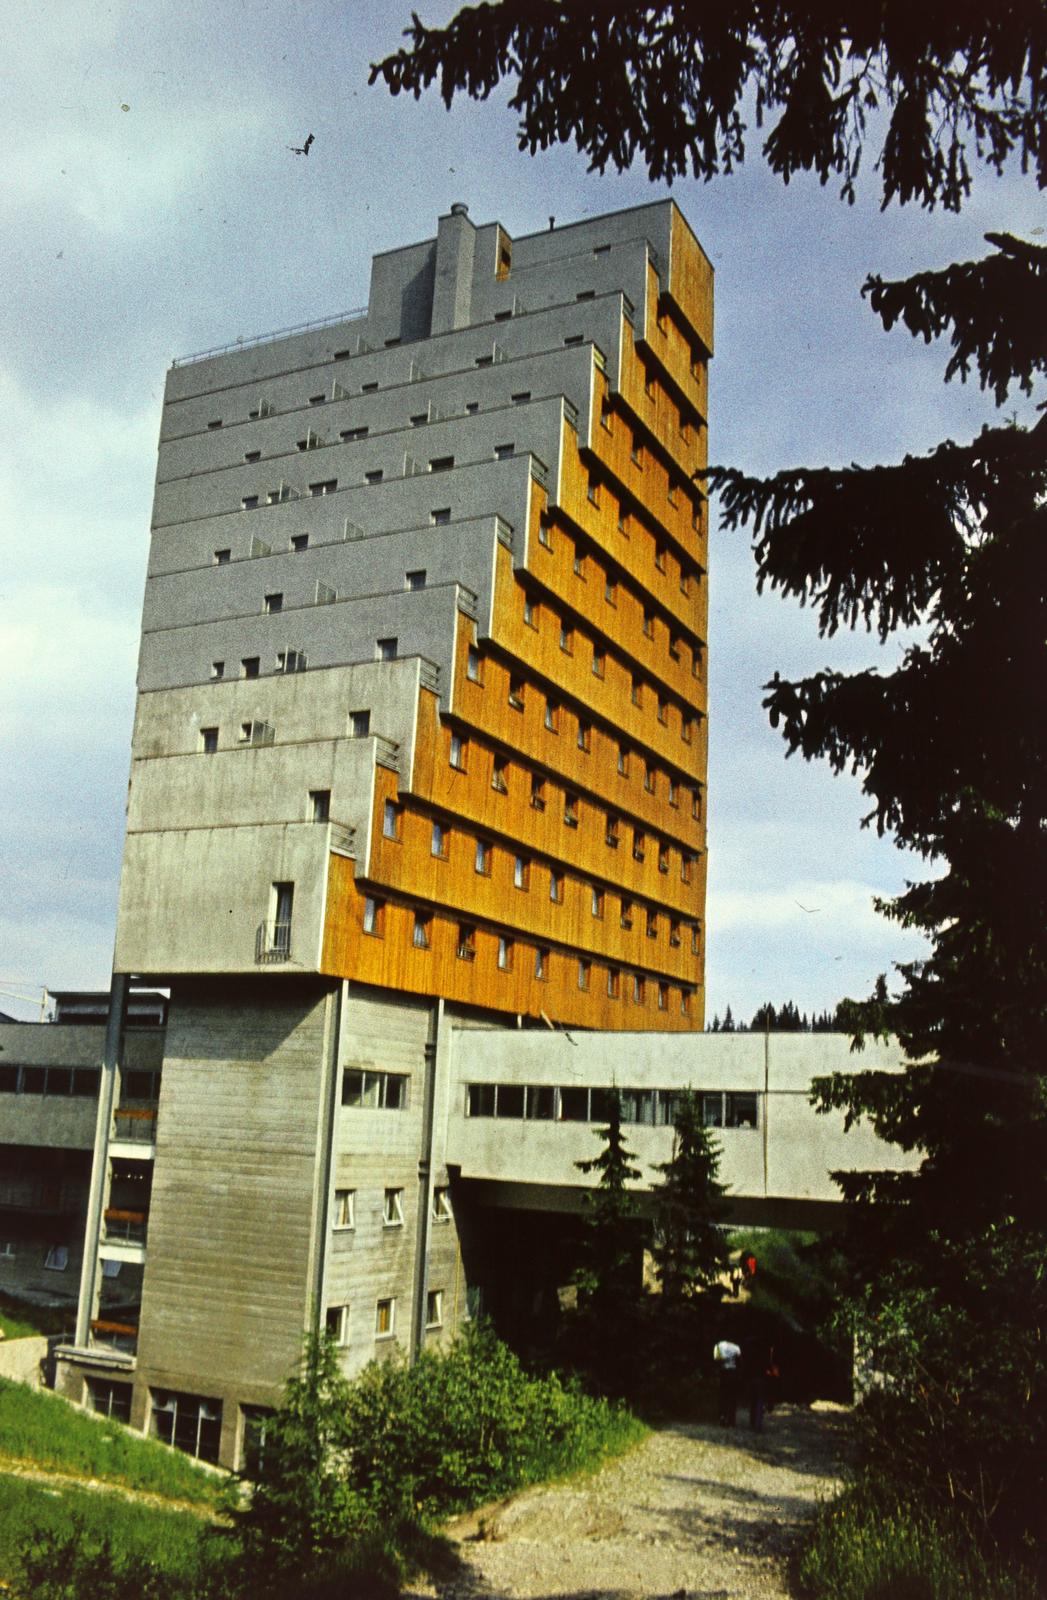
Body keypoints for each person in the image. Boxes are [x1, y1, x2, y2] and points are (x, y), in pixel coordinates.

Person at [713, 1334, 741, 1426]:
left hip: (723, 1373)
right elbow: (739, 1361)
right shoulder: (736, 1347)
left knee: (722, 1396)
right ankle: (732, 1420)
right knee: (732, 1397)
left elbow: (716, 1359)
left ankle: (722, 1416)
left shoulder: (719, 1345)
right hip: (733, 1373)